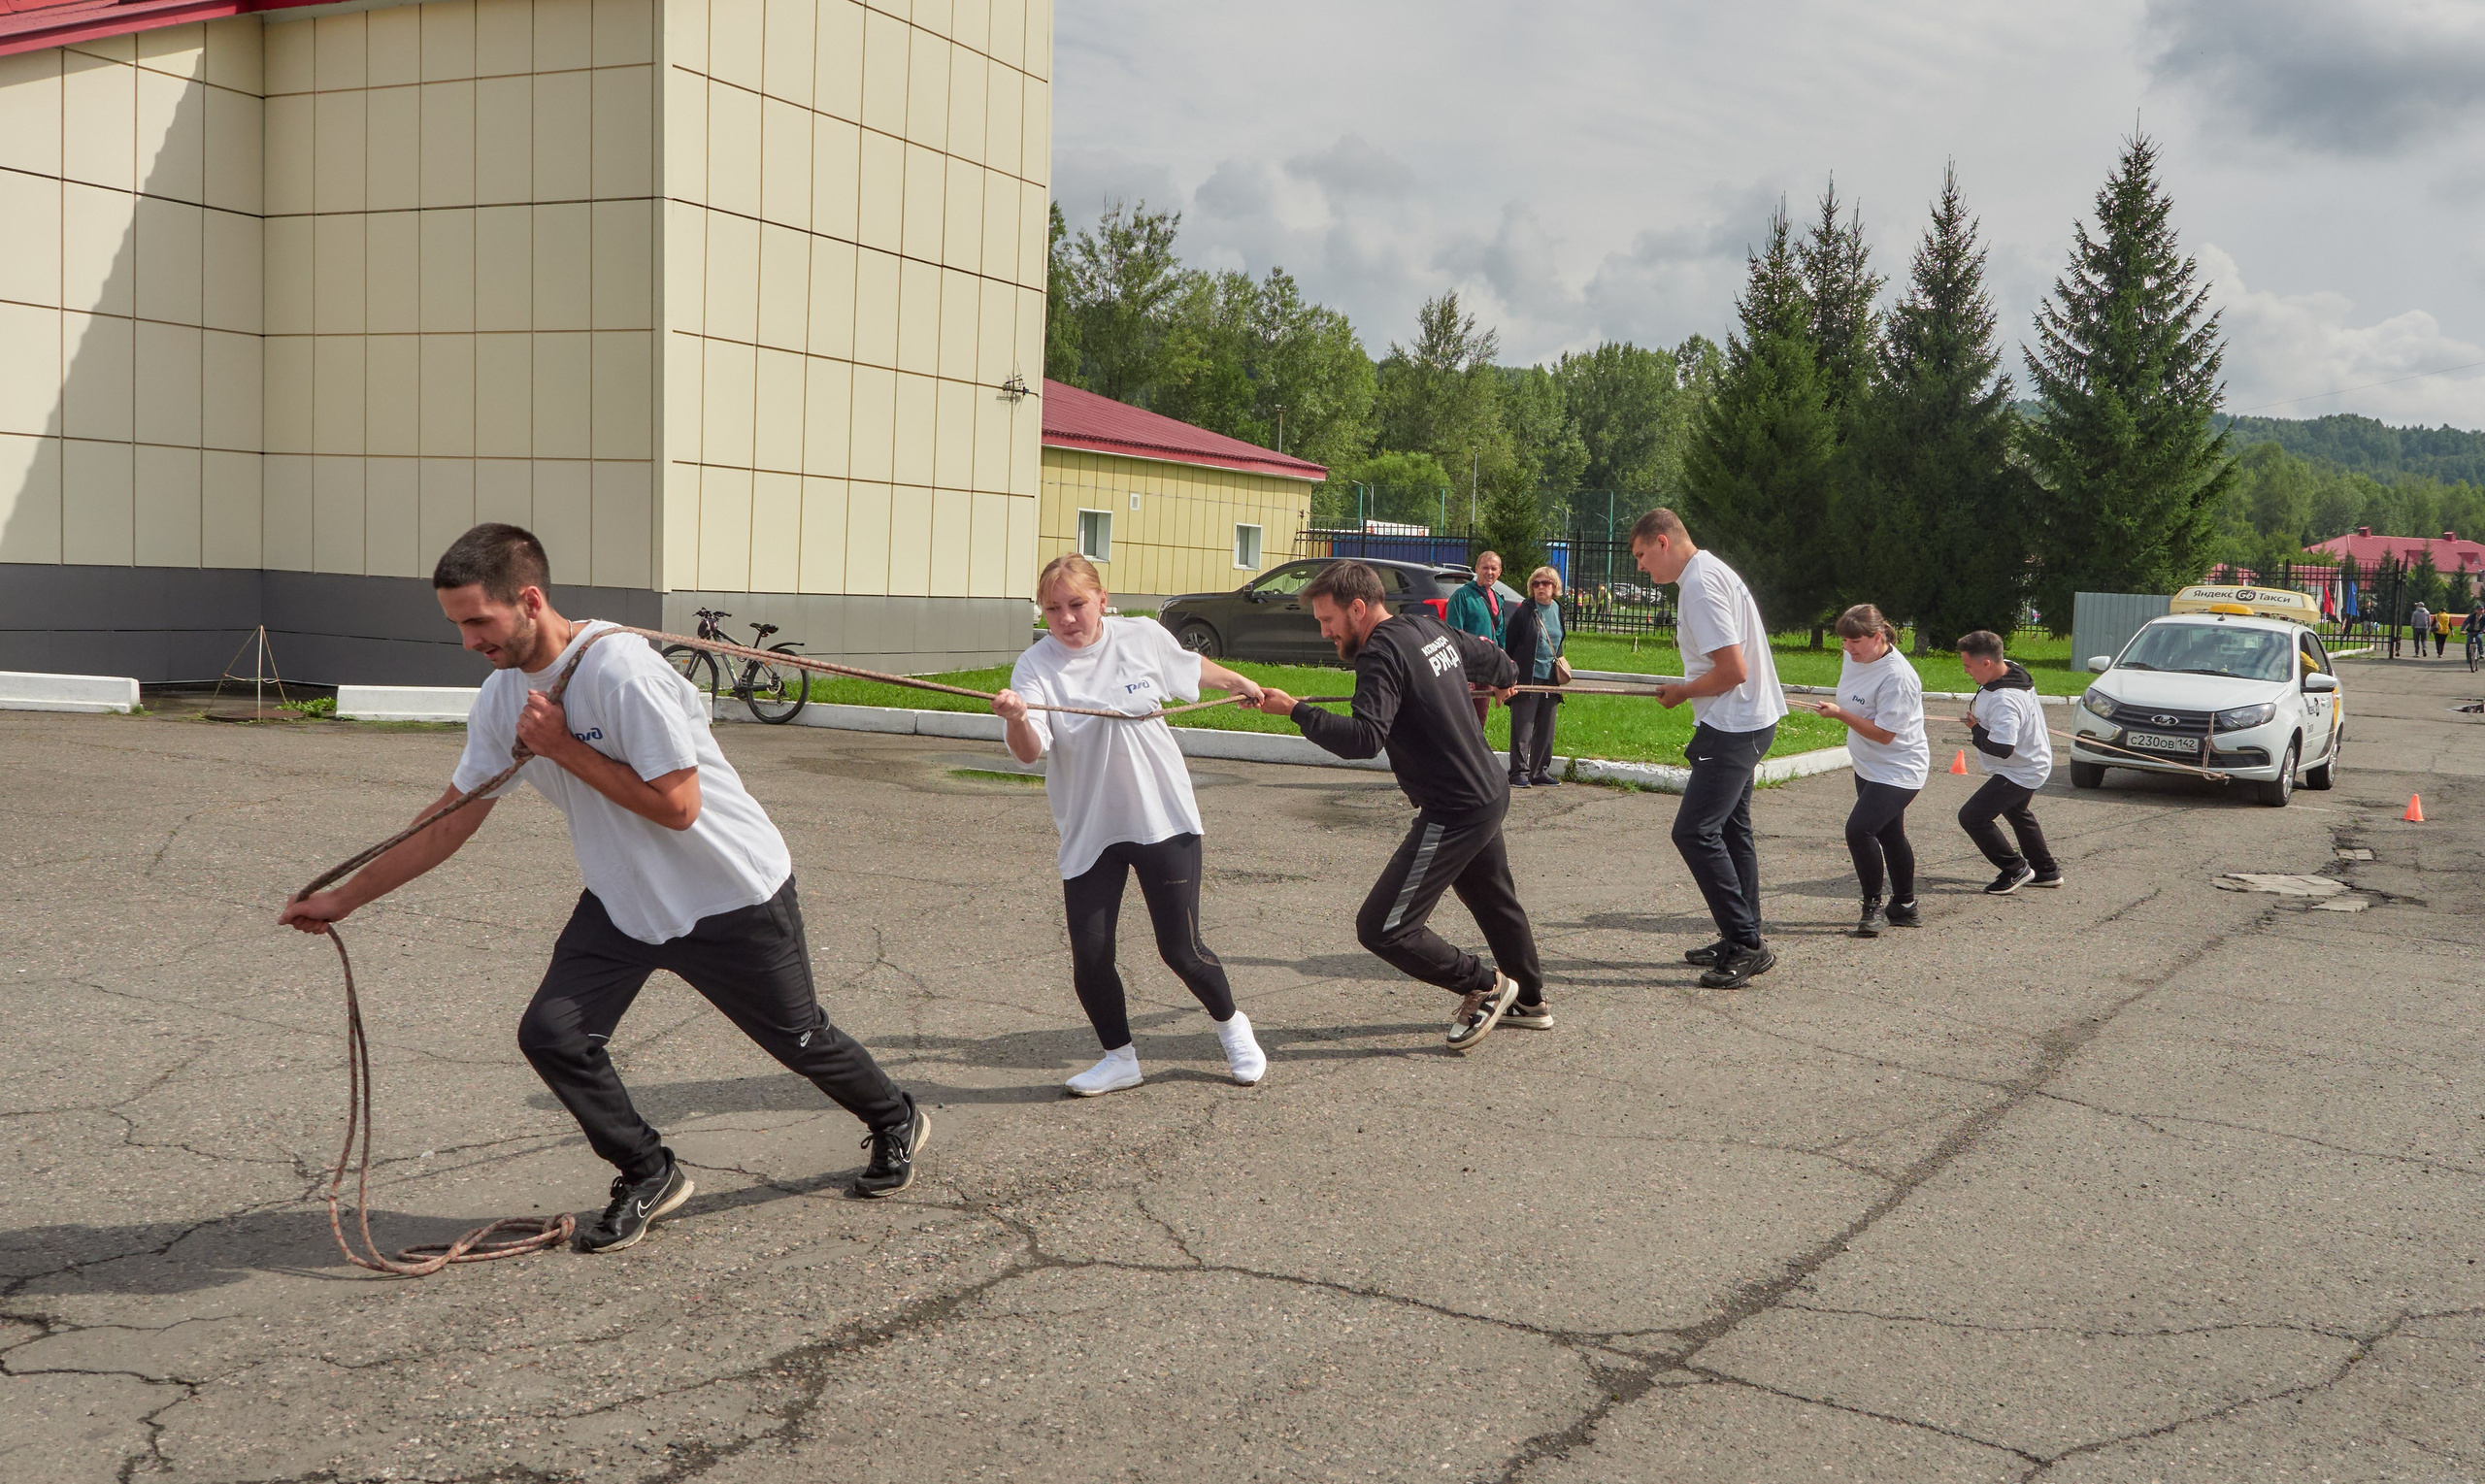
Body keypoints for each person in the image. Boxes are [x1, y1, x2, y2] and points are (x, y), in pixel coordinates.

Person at [279, 524, 927, 1255]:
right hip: (625, 903)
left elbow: (679, 808)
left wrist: (562, 749)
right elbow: (448, 821)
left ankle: (895, 1115)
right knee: (553, 1035)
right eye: (456, 623)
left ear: (529, 600)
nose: (467, 641)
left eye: (477, 621)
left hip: (729, 894)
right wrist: (345, 898)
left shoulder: (622, 672)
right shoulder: (501, 699)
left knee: (803, 1039)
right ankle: (648, 1169)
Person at [991, 554, 1271, 1098]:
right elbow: (1029, 753)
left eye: (1077, 604)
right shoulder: (1035, 667)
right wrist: (1018, 717)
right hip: (1091, 827)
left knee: (1181, 949)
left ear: (1102, 598)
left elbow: (1190, 669)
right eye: (1053, 609)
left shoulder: (1140, 636)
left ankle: (1234, 1030)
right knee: (1091, 956)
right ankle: (1119, 1059)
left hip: (1161, 815)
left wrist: (1239, 680)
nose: (1067, 619)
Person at [1253, 561, 1550, 1049]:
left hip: (1455, 808)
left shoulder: (1379, 654)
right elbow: (1485, 655)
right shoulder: (1423, 626)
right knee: (1494, 902)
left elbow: (1364, 738)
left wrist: (1296, 711)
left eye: (1328, 620)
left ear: (1357, 608)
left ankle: (1487, 985)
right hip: (1487, 792)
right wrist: (1506, 676)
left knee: (1383, 927)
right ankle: (1531, 1001)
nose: (1325, 631)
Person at [1630, 509, 1787, 989]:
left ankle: (1746, 943)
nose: (1639, 568)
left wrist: (1681, 691)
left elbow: (1732, 671)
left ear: (1663, 541)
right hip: (1748, 720)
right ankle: (1742, 933)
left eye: (1640, 556)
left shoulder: (1699, 585)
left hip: (1734, 725)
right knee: (1731, 830)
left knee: (1695, 832)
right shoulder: (1709, 570)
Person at [1803, 605, 1928, 937]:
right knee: (1890, 833)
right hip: (1868, 764)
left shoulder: (1898, 677)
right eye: (1843, 640)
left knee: (1859, 831)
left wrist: (1840, 714)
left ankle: (1871, 907)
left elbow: (1885, 735)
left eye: (1854, 641)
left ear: (1877, 636)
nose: (1847, 647)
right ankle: (1905, 906)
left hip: (1900, 768)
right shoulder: (1854, 656)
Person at [1954, 629, 2061, 895]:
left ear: (1986, 663)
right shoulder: (2010, 669)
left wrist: (1976, 729)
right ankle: (2046, 872)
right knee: (2017, 812)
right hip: (2029, 762)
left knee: (1972, 817)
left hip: (2021, 770)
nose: (1966, 671)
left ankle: (2015, 869)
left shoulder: (2005, 700)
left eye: (1968, 666)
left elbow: (2002, 747)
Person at [1503, 566, 1567, 788]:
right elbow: (1510, 644)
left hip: (1550, 677)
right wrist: (1510, 675)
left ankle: (1540, 771)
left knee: (1546, 727)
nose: (1541, 587)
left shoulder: (1558, 610)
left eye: (1545, 583)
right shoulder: (1525, 611)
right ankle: (1518, 772)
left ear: (1554, 587)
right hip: (1527, 676)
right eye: (1536, 583)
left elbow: (1559, 641)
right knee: (1523, 726)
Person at [1445, 550, 1508, 726]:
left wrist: (1502, 667)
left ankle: (1474, 752)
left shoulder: (1497, 599)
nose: (1489, 572)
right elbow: (1454, 634)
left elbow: (1500, 636)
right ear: (1477, 569)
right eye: (1485, 567)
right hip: (1467, 670)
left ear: (1499, 571)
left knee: (1479, 721)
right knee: (1461, 720)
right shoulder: (1462, 596)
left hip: (1487, 670)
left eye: (1494, 568)